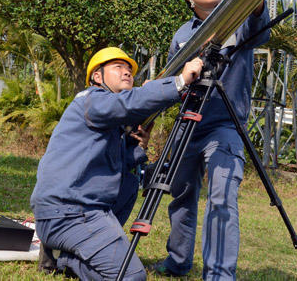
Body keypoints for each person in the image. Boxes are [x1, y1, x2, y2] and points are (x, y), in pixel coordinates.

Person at [31, 46, 203, 280]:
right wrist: (179, 82)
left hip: (76, 211)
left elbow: (110, 168)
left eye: (129, 69)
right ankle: (68, 257)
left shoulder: (108, 118)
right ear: (97, 77)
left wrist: (139, 148)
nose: (126, 73)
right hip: (68, 213)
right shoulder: (92, 99)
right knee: (131, 276)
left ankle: (68, 254)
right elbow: (129, 102)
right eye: (117, 67)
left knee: (130, 183)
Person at [152, 0, 270, 280]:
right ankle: (177, 263)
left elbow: (260, 31)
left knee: (221, 200)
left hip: (226, 125)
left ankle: (218, 276)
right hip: (188, 124)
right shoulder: (182, 36)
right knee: (181, 197)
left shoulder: (238, 18)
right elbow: (176, 83)